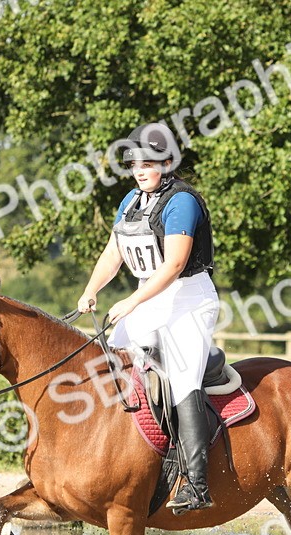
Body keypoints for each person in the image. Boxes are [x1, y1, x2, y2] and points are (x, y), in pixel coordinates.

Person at [77, 122, 221, 514]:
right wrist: (92, 289)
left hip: (188, 300)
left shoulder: (182, 202)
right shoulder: (131, 201)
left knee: (182, 380)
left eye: (147, 164)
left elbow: (174, 265)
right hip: (149, 297)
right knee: (110, 368)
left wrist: (131, 301)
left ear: (167, 162)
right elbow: (113, 253)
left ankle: (196, 484)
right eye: (134, 164)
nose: (139, 171)